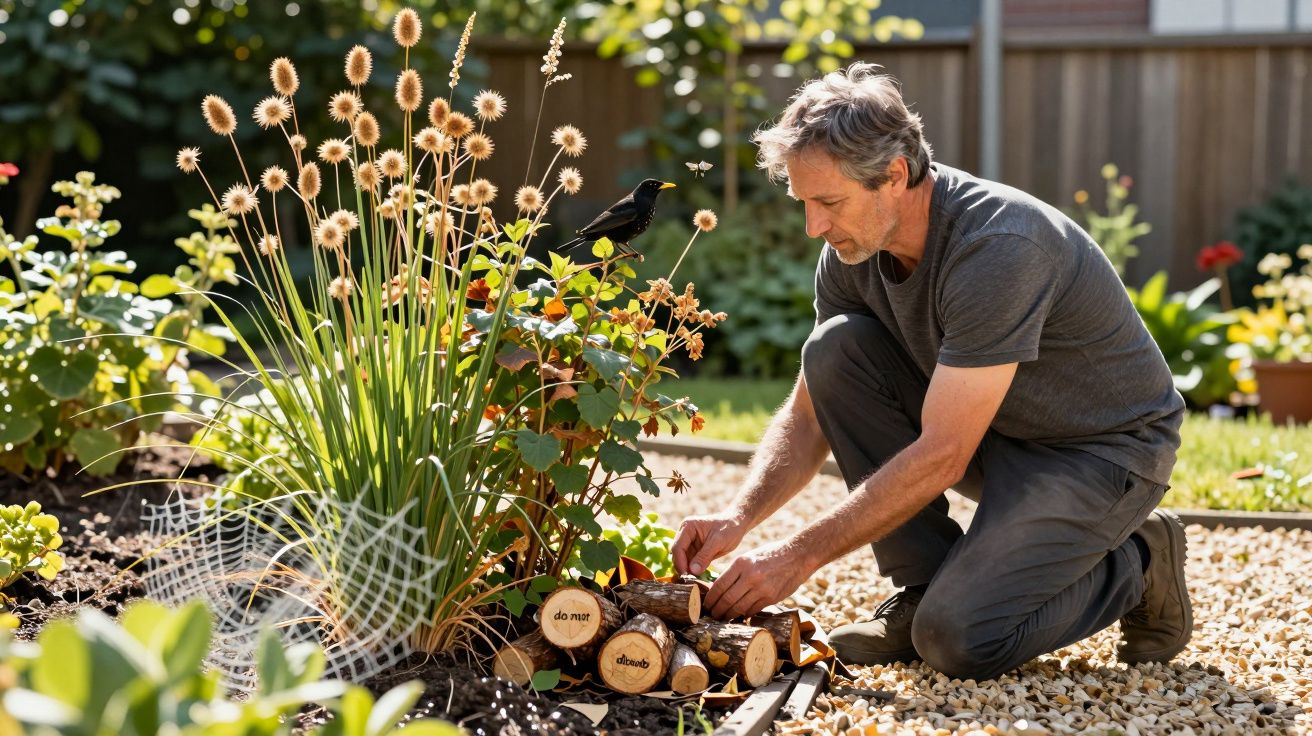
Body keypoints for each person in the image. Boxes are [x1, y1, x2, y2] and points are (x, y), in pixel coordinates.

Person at [670, 63, 1192, 681]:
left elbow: (944, 454)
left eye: (829, 202)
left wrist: (796, 557)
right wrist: (739, 517)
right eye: (804, 203)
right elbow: (810, 413)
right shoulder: (852, 249)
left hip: (1099, 454)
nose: (814, 226)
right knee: (835, 349)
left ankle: (1137, 562)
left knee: (958, 641)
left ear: (895, 175)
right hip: (994, 434)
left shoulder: (1000, 246)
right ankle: (921, 584)